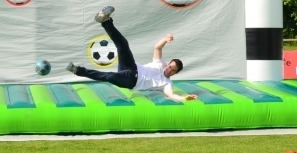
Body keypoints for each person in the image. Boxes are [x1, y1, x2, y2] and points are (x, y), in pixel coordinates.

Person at [66, 6, 198, 103]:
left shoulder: (166, 83)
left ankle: (77, 70)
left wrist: (184, 98)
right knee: (123, 44)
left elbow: (171, 95)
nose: (169, 69)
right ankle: (105, 21)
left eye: (173, 70)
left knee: (109, 76)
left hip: (131, 81)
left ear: (175, 73)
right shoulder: (160, 64)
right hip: (132, 66)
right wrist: (165, 39)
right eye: (170, 66)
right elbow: (157, 47)